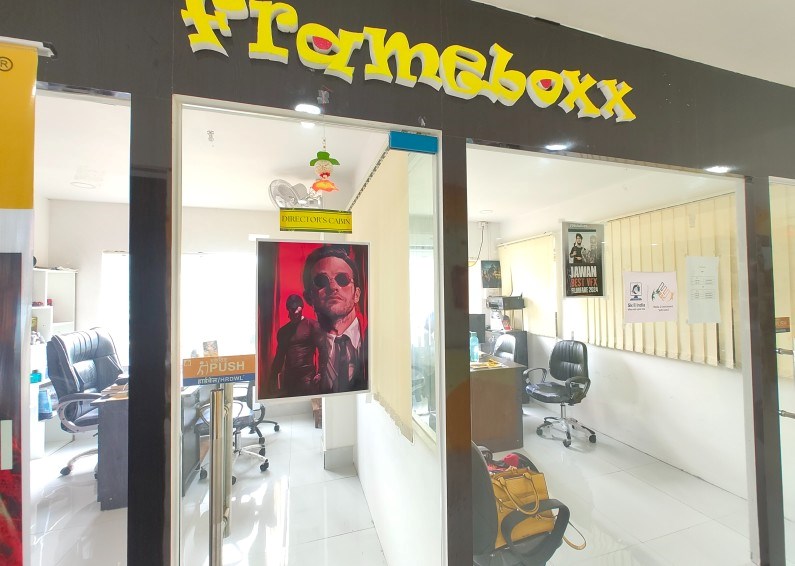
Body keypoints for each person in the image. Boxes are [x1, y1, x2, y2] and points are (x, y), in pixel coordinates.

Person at [302, 245, 367, 394]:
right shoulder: (304, 350)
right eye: (321, 281)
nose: (332, 287)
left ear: (357, 294)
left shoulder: (375, 339)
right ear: (309, 297)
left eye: (342, 279)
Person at [269, 294, 321, 397]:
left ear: (301, 308)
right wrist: (273, 378)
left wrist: (320, 373)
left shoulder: (312, 326)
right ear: (288, 309)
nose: (295, 312)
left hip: (308, 377)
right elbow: (279, 356)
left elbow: (323, 351)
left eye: (297, 309)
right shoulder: (283, 332)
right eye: (292, 309)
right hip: (290, 379)